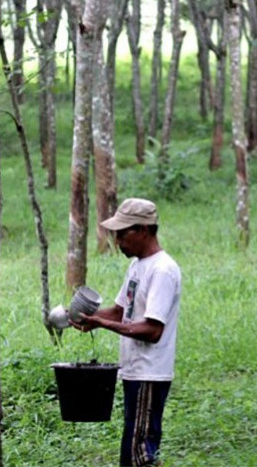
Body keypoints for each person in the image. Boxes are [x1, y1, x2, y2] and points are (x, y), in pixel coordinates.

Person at [71, 198, 181, 467]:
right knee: (135, 445)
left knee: (139, 453)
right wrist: (87, 317)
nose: (118, 241)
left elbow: (153, 329)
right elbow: (121, 311)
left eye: (122, 233)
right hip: (134, 371)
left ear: (143, 230)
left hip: (149, 372)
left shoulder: (163, 270)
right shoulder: (137, 266)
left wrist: (101, 324)